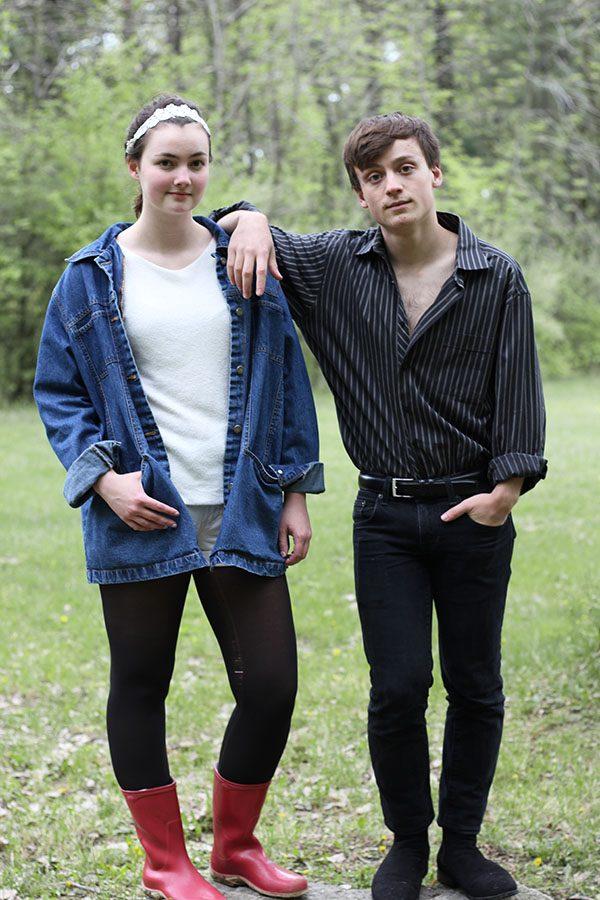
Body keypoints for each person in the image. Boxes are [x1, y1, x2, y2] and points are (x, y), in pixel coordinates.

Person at [212, 112, 547, 900]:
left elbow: (520, 395)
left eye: (403, 168)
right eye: (373, 178)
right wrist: (249, 214)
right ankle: (405, 843)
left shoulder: (496, 276)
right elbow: (226, 225)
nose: (391, 185)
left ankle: (461, 846)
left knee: (476, 685)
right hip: (384, 517)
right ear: (361, 196)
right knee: (397, 686)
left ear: (435, 174)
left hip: (474, 513)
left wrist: (506, 491)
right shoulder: (334, 267)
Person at [33, 94, 324, 900]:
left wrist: (296, 490)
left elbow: (286, 380)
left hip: (242, 503)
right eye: (167, 162)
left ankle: (234, 846)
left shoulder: (242, 257)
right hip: (141, 511)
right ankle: (166, 863)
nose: (183, 177)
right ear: (135, 168)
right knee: (141, 682)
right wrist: (102, 479)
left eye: (196, 162)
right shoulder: (88, 279)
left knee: (270, 684)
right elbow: (58, 393)